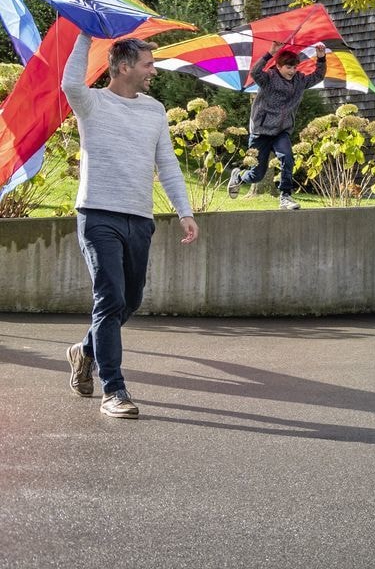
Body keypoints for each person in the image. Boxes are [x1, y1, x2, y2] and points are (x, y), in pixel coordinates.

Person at [61, 33, 201, 419]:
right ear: (123, 67)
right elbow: (71, 82)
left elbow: (168, 164)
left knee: (131, 300)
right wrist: (85, 33)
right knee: (109, 299)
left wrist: (184, 211)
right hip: (97, 214)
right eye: (148, 64)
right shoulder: (92, 103)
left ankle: (84, 351)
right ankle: (114, 390)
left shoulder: (154, 110)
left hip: (139, 217)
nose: (153, 71)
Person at [228, 40, 330, 210]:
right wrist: (270, 53)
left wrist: (321, 58)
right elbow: (254, 72)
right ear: (279, 66)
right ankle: (239, 177)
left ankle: (285, 196)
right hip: (261, 131)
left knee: (287, 158)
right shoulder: (268, 78)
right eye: (288, 68)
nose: (292, 71)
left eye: (294, 67)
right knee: (257, 174)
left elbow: (318, 76)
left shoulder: (300, 81)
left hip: (281, 131)